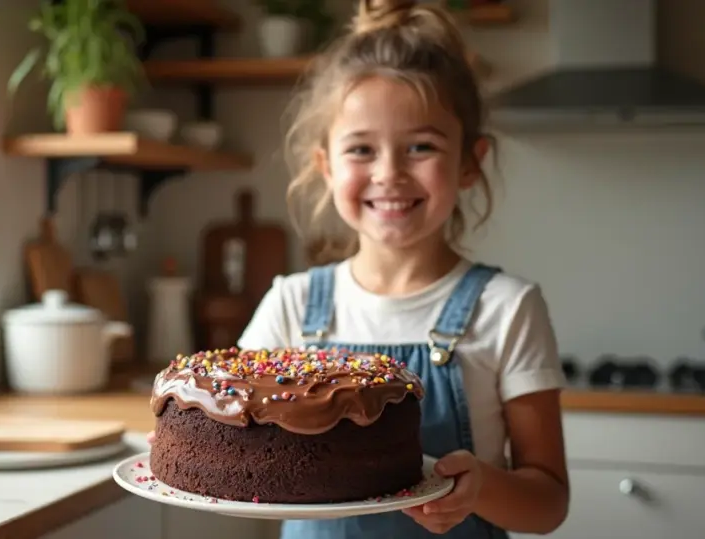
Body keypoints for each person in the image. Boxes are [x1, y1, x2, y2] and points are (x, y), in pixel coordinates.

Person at [146, 0, 570, 536]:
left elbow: (548, 502)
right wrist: (187, 451)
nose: (389, 173)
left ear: (470, 162)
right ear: (325, 166)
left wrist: (481, 487)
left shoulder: (507, 309)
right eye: (362, 149)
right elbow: (234, 442)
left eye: (421, 146)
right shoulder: (293, 303)